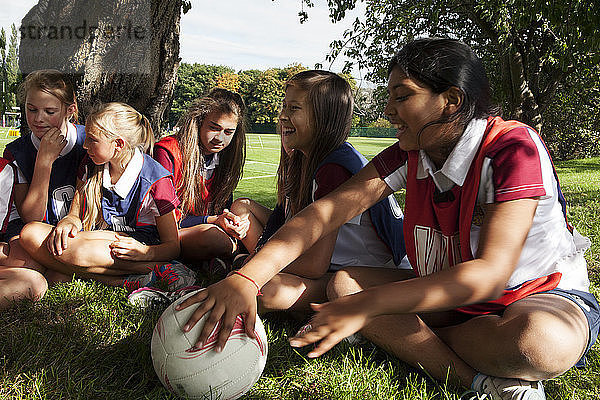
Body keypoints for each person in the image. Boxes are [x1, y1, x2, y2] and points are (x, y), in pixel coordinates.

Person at [175, 39, 599, 400]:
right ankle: (481, 381)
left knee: (540, 344)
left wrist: (367, 308)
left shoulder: (512, 148)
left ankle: (407, 338)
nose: (389, 110)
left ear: (451, 101)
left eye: (403, 96)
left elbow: (487, 276)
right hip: (452, 304)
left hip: (534, 297)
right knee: (344, 286)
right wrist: (246, 279)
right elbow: (324, 213)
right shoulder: (410, 152)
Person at [224, 70, 409, 314]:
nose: (282, 116)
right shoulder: (307, 159)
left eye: (294, 108)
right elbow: (289, 225)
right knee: (245, 217)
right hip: (337, 265)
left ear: (324, 118)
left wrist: (253, 265)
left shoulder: (334, 169)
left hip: (370, 273)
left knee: (264, 292)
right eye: (284, 106)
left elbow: (314, 265)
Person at [19, 102, 195, 291]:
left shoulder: (155, 180)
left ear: (118, 144)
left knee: (75, 258)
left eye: (92, 140)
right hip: (96, 238)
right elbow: (75, 215)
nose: (85, 145)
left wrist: (145, 252)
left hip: (132, 247)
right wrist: (69, 222)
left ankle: (157, 269)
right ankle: (125, 278)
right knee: (30, 233)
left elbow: (172, 246)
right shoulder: (90, 164)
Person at [152, 88, 249, 263]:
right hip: (168, 234)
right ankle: (237, 258)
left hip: (206, 229)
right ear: (198, 122)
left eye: (229, 132)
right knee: (211, 236)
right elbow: (163, 220)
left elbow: (222, 209)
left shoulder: (226, 158)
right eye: (214, 128)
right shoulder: (168, 151)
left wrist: (234, 222)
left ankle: (230, 257)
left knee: (247, 217)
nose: (220, 138)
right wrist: (212, 220)